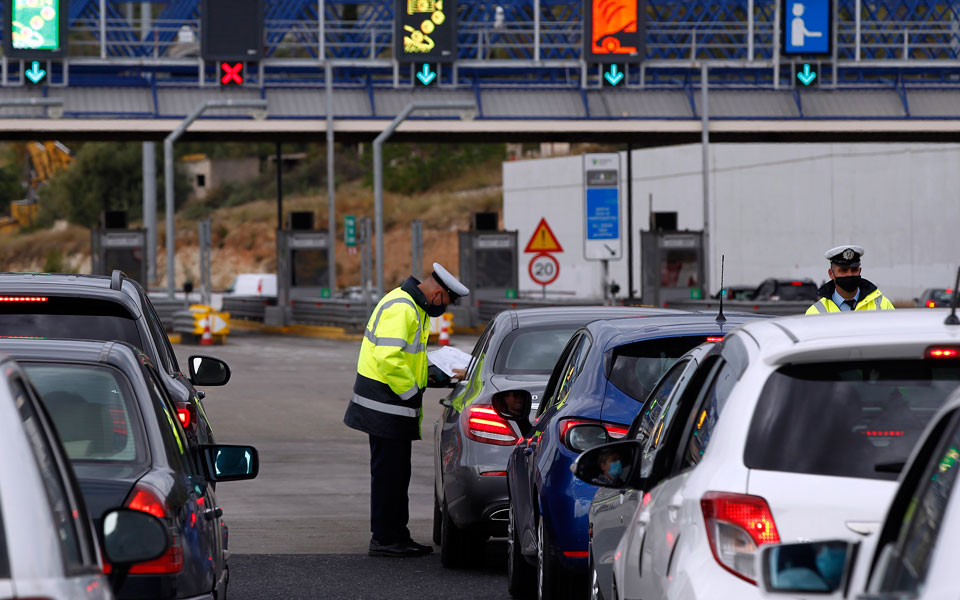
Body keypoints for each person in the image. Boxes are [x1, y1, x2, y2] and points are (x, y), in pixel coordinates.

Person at [344, 262, 469, 557]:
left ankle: (395, 534)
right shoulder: (403, 308)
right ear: (437, 292)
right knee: (390, 476)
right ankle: (386, 539)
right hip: (386, 406)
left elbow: (409, 360)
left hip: (390, 407)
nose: (444, 309)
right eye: (446, 302)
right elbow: (389, 359)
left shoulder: (412, 306)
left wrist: (444, 375)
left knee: (396, 476)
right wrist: (412, 392)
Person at [806, 245, 895, 314]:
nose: (850, 274)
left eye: (854, 270)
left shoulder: (882, 305)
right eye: (843, 270)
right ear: (831, 274)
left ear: (860, 271)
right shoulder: (816, 312)